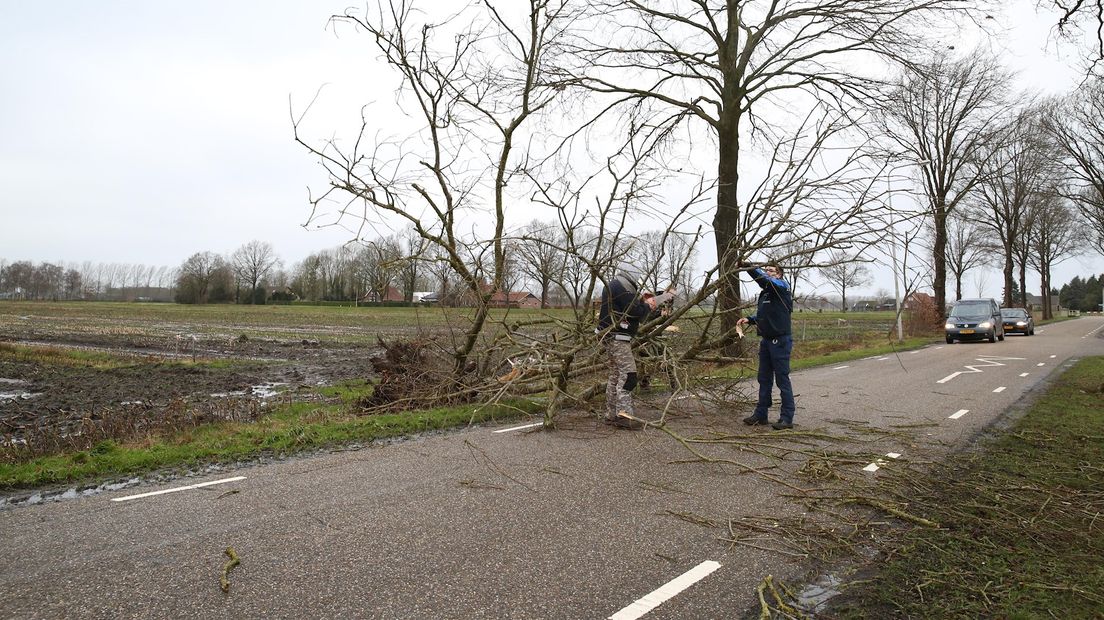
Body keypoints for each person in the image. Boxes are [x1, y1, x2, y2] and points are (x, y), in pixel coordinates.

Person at [596, 268, 672, 429]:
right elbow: (634, 310)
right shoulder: (622, 288)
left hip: (610, 337)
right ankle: (624, 416)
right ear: (632, 274)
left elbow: (631, 307)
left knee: (615, 375)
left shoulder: (615, 285)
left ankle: (611, 414)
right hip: (618, 338)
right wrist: (648, 306)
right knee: (629, 375)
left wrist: (652, 301)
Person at [736, 262, 795, 430]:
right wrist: (750, 319)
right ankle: (761, 415)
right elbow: (766, 314)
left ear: (779, 274)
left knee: (782, 379)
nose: (767, 272)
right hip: (767, 340)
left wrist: (750, 267)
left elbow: (764, 281)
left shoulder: (781, 287)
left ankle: (787, 418)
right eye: (766, 270)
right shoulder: (767, 293)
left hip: (780, 341)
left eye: (771, 270)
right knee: (764, 378)